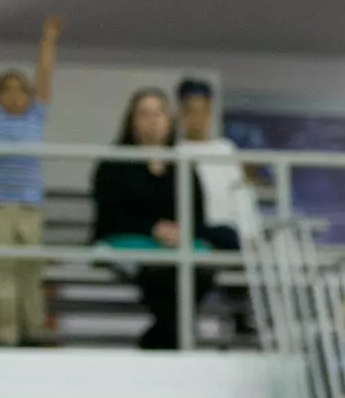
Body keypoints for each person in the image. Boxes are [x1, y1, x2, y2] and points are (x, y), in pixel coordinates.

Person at [91, 88, 210, 350]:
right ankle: (174, 337)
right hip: (127, 241)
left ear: (169, 120)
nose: (152, 120)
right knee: (161, 271)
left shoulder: (183, 166)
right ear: (131, 121)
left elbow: (198, 214)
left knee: (202, 267)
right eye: (144, 114)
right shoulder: (112, 164)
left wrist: (180, 231)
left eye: (158, 113)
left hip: (175, 243)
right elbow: (110, 216)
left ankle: (161, 336)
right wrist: (152, 228)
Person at [0, 9, 60, 348]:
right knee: (1, 272)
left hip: (29, 206)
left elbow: (45, 74)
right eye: (8, 89)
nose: (16, 96)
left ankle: (34, 332)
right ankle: (5, 335)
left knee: (30, 274)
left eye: (22, 90)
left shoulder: (36, 114)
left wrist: (48, 40)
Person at [172, 78, 256, 253]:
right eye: (192, 112)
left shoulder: (226, 149)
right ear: (181, 113)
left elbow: (243, 195)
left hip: (228, 234)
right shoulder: (174, 151)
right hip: (192, 236)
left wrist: (250, 232)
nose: (198, 119)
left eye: (203, 112)